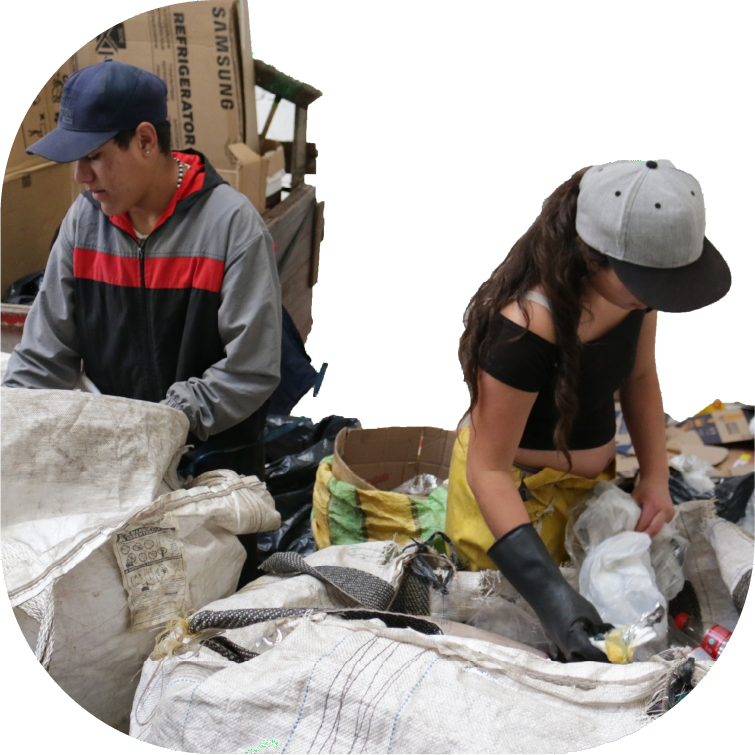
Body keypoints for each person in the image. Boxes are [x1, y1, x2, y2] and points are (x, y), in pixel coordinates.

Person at [2, 60, 282, 588]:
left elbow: (252, 369)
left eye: (94, 158)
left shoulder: (230, 227)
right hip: (118, 474)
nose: (81, 179)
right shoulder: (85, 224)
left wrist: (163, 424)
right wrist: (13, 429)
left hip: (212, 469)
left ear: (147, 141)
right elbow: (43, 356)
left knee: (201, 616)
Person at [446, 160, 731, 662]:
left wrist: (656, 475)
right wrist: (554, 600)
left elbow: (641, 377)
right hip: (511, 496)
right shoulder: (523, 329)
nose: (653, 300)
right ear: (592, 255)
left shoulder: (634, 297)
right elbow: (488, 469)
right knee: (525, 618)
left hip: (583, 487)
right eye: (647, 283)